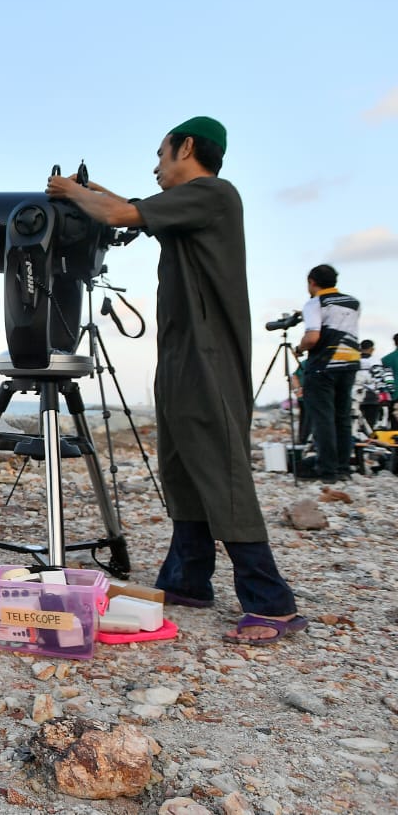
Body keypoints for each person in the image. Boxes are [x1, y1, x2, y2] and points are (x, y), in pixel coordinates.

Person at [44, 116, 305, 645]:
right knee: (183, 466)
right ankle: (187, 581)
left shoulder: (213, 193)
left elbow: (121, 213)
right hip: (184, 354)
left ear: (187, 147)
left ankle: (271, 602)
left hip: (209, 357)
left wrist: (68, 190)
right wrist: (89, 191)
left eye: (161, 154)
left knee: (220, 467)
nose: (156, 166)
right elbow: (127, 206)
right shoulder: (188, 206)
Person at [293, 265, 361, 481]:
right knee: (342, 417)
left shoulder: (315, 303)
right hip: (349, 362)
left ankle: (326, 470)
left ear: (312, 282)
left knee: (323, 417)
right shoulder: (353, 303)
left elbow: (313, 337)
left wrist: (299, 348)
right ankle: (343, 468)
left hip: (323, 364)